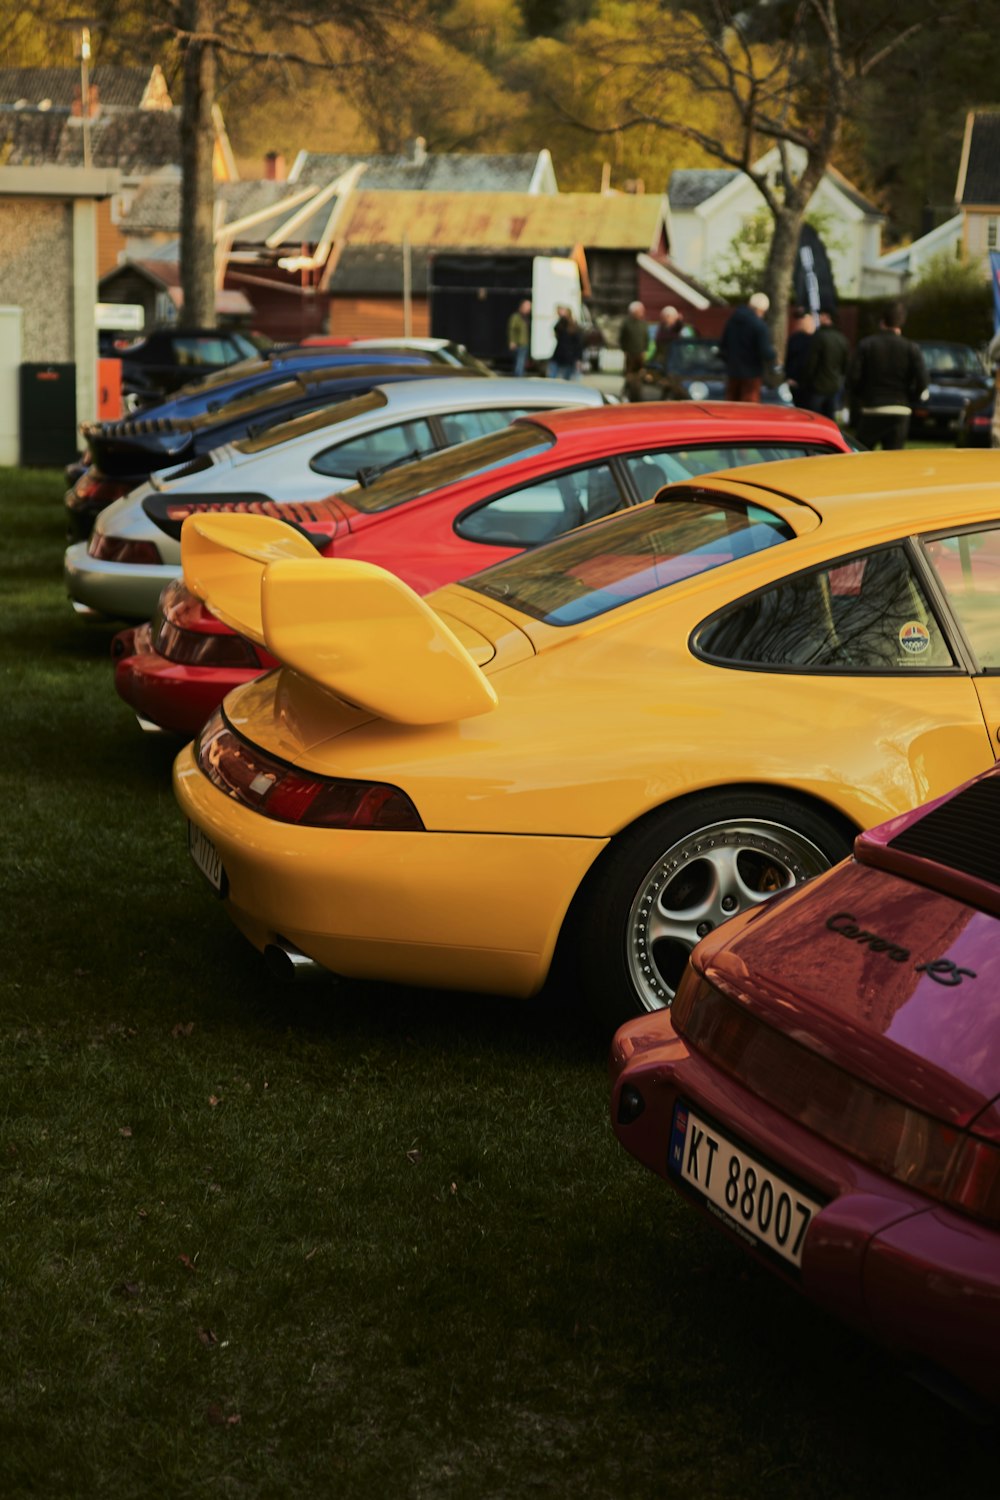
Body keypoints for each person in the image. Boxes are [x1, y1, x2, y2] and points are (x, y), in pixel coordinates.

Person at [848, 301, 928, 450]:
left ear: (882, 321)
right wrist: (910, 398)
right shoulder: (911, 348)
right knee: (893, 463)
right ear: (902, 322)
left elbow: (853, 378)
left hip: (872, 408)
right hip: (900, 409)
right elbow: (922, 382)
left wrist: (862, 397)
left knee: (862, 457)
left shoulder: (867, 345)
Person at [719, 292, 779, 402]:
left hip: (733, 373)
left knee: (730, 408)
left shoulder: (732, 321)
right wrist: (774, 354)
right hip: (752, 375)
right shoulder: (759, 326)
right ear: (762, 310)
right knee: (749, 410)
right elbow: (765, 352)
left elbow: (723, 347)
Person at [804, 306, 851, 420]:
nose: (819, 318)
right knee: (830, 419)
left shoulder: (819, 337)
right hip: (834, 386)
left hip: (818, 387)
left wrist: (807, 381)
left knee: (813, 419)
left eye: (821, 315)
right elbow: (846, 365)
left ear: (827, 317)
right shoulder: (842, 339)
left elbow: (811, 363)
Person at [784, 307, 816, 409]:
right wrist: (789, 377)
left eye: (804, 320)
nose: (801, 322)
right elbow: (789, 359)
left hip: (809, 384)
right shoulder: (795, 339)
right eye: (799, 320)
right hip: (796, 382)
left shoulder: (816, 340)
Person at [618, 300, 648, 401]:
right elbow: (622, 338)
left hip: (640, 354)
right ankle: (627, 392)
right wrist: (625, 350)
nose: (642, 312)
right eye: (640, 310)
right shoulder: (626, 323)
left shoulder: (643, 323)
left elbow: (646, 338)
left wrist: (645, 350)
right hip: (630, 354)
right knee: (629, 375)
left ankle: (638, 394)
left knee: (640, 375)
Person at [549, 307, 584, 381]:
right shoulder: (561, 325)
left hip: (569, 357)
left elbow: (579, 345)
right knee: (552, 376)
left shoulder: (574, 327)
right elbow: (556, 328)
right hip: (559, 354)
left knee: (566, 378)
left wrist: (578, 359)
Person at [507, 299, 531, 378]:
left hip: (525, 343)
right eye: (527, 306)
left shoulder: (526, 317)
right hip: (519, 343)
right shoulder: (516, 317)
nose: (529, 308)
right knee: (519, 362)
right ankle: (518, 378)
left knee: (521, 362)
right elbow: (512, 329)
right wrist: (512, 341)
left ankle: (519, 376)